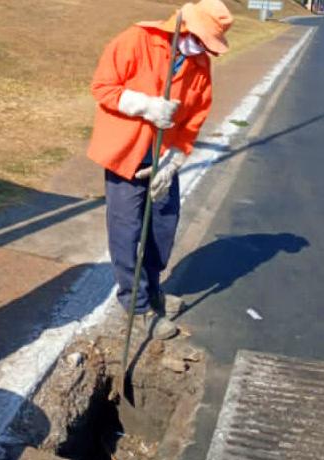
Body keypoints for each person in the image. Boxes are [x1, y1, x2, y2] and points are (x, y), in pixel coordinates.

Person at [87, 0, 233, 339]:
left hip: (162, 155)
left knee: (163, 224)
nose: (201, 48)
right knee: (127, 230)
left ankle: (153, 289)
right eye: (200, 39)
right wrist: (145, 105)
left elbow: (194, 119)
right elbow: (103, 88)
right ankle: (135, 306)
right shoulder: (136, 40)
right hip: (127, 152)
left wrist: (174, 160)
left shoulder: (199, 64)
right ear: (185, 26)